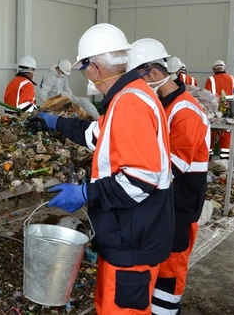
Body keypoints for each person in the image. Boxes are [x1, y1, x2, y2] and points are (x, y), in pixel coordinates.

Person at [26, 24, 174, 315]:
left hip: (133, 235)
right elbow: (97, 135)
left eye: (83, 68)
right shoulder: (129, 95)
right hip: (127, 232)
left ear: (94, 68)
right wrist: (54, 123)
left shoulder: (130, 103)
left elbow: (140, 180)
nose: (84, 75)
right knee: (108, 305)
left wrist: (84, 192)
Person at [128, 39, 211, 315]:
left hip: (180, 207)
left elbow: (172, 167)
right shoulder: (164, 105)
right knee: (158, 265)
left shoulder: (186, 112)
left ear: (153, 73)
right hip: (165, 204)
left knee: (170, 272)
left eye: (138, 77)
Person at [204, 60, 234, 159]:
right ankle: (224, 159)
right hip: (228, 109)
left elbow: (206, 96)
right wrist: (233, 90)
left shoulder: (211, 79)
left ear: (214, 69)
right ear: (224, 68)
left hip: (214, 110)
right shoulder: (231, 78)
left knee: (212, 131)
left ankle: (209, 156)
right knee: (226, 132)